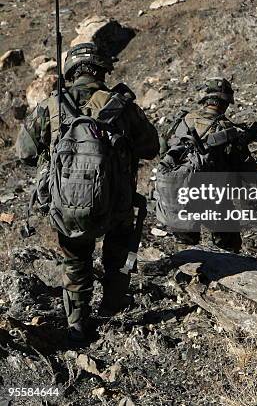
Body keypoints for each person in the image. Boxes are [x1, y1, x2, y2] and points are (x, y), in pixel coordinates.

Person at [16, 42, 159, 344]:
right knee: (117, 258)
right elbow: (151, 148)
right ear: (103, 70)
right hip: (118, 204)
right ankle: (112, 310)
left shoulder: (52, 105)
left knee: (76, 262)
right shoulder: (123, 106)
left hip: (68, 204)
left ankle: (78, 324)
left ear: (70, 71)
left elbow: (24, 152)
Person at [159, 77, 257, 253]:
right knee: (229, 243)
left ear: (206, 100)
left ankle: (186, 271)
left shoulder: (183, 120)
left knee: (185, 245)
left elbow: (161, 149)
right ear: (225, 103)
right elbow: (249, 172)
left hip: (177, 191)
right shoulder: (227, 130)